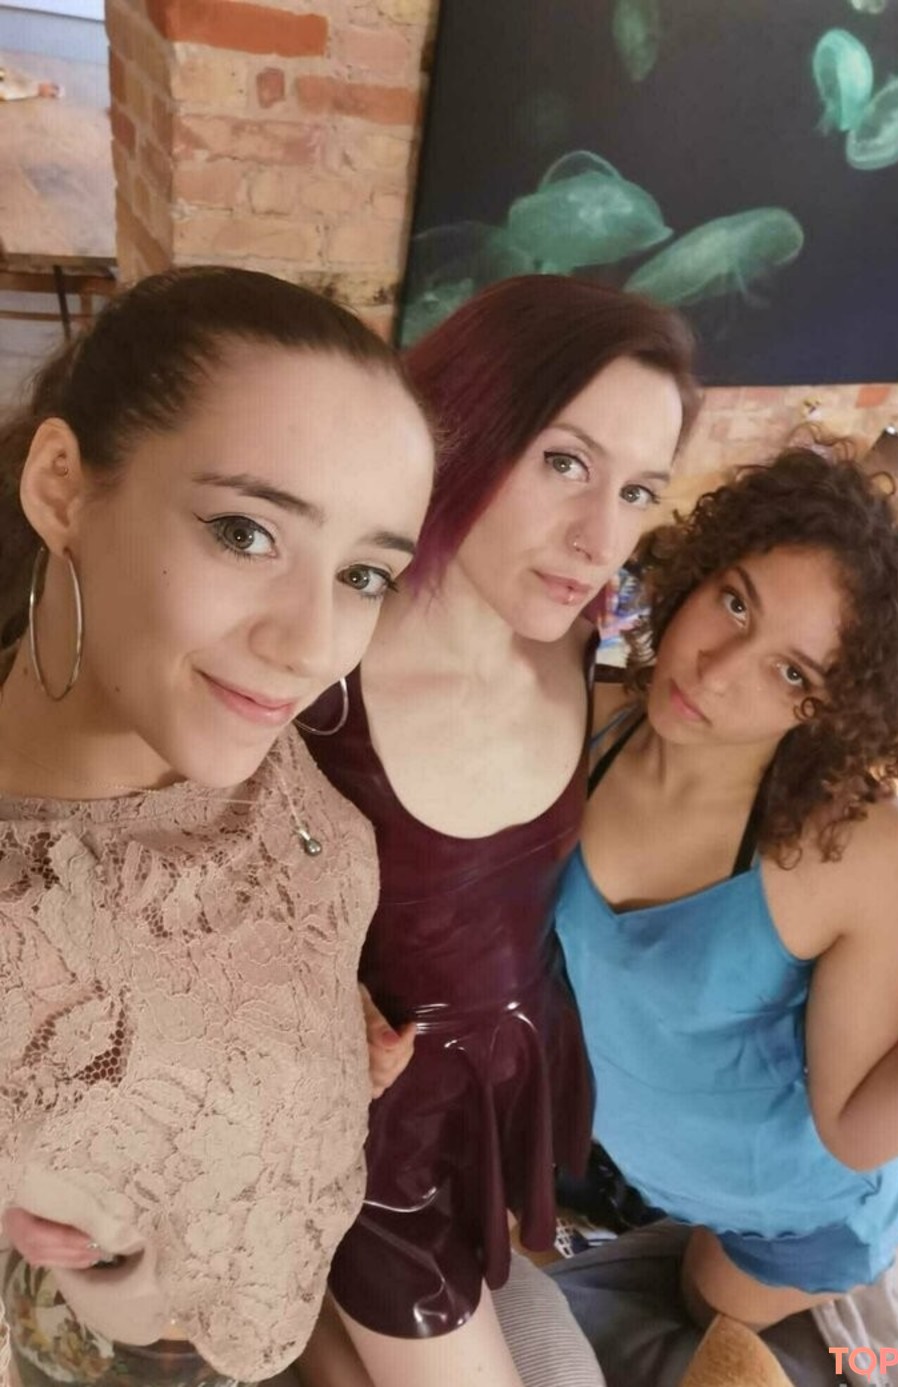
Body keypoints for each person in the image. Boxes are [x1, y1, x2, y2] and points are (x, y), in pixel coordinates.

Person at [553, 447, 898, 1376]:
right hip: (637, 1152)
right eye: (735, 603)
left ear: (835, 710)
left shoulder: (850, 850)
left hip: (793, 1213)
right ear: (702, 564)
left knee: (695, 1305)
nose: (717, 672)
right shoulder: (589, 720)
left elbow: (856, 1127)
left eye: (792, 674)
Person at [0, 267, 434, 1387]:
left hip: (301, 1259)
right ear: (62, 487)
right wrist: (59, 1225)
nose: (313, 643)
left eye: (365, 573)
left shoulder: (209, 714)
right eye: (245, 532)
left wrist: (310, 1036)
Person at [296, 275, 699, 1387]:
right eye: (565, 462)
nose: (599, 537)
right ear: (458, 427)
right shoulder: (313, 663)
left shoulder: (587, 650)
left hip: (492, 1109)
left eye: (638, 491)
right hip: (364, 1149)